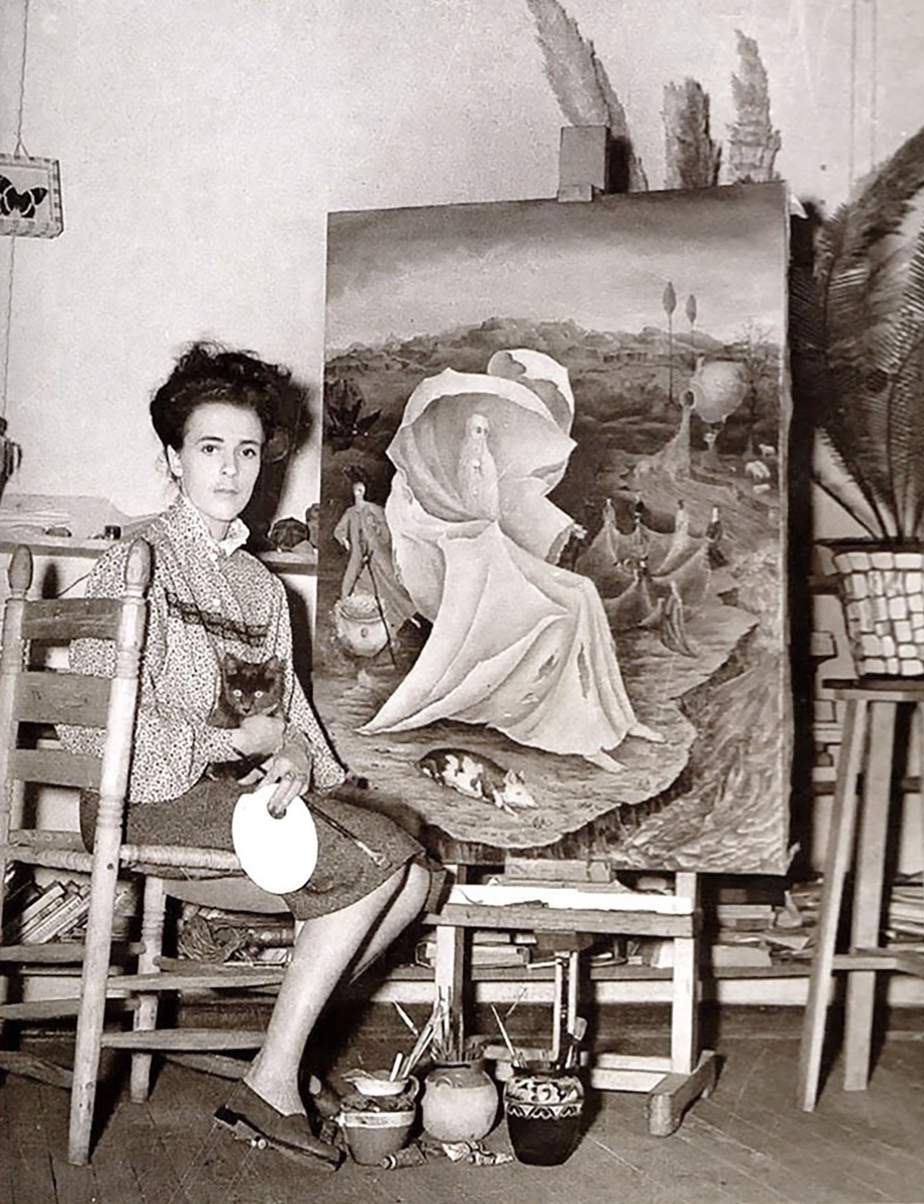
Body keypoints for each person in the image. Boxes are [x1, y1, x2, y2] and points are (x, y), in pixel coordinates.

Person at [64, 342, 431, 1164]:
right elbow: (93, 730)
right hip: (142, 797)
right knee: (378, 861)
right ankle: (272, 1081)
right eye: (209, 448)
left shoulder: (261, 588)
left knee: (413, 879)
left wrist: (293, 751)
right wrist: (227, 741)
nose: (230, 469)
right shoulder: (135, 563)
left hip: (226, 802)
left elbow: (281, 717)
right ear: (173, 458)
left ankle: (281, 1058)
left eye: (248, 451)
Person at [360, 349, 663, 774]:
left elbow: (513, 506)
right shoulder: (436, 484)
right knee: (561, 617)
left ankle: (620, 719)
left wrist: (562, 525)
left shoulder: (483, 463)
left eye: (484, 429)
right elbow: (477, 516)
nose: (479, 436)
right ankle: (583, 736)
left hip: (498, 556)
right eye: (474, 429)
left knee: (585, 593)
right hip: (482, 569)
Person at [333, 471, 414, 637]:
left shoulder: (375, 509)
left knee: (388, 576)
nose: (358, 493)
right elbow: (338, 530)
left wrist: (378, 530)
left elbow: (387, 531)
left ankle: (404, 609)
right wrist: (345, 541)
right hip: (357, 551)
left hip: (376, 550)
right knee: (353, 576)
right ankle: (346, 605)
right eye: (356, 490)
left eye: (361, 490)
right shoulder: (350, 512)